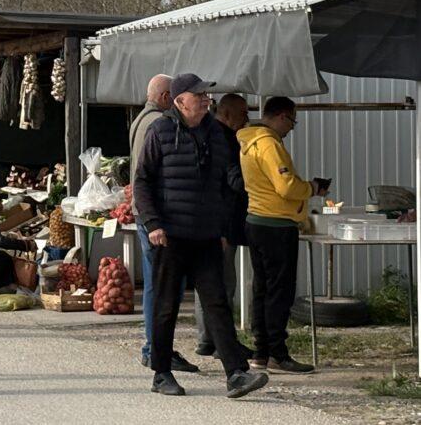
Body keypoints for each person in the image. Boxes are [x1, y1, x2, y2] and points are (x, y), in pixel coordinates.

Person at [133, 73, 267, 399]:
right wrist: (153, 225)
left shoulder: (219, 135)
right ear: (180, 101)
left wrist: (224, 229)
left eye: (207, 95)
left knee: (217, 303)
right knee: (167, 306)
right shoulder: (160, 131)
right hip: (170, 235)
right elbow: (142, 182)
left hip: (207, 235)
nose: (207, 100)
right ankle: (161, 373)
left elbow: (227, 186)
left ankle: (236, 374)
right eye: (200, 95)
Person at [239, 97, 327, 374]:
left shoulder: (248, 140)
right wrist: (312, 188)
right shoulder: (268, 144)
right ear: (280, 116)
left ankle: (261, 351)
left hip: (257, 221)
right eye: (291, 121)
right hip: (276, 225)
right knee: (279, 292)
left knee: (262, 289)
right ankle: (278, 352)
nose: (291, 128)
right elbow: (287, 187)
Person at [129, 75, 196, 372]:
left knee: (158, 283)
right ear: (169, 97)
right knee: (163, 285)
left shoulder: (139, 119)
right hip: (156, 216)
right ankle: (156, 349)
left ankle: (156, 347)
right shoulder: (157, 123)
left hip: (147, 213)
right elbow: (151, 174)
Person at [196, 94, 252, 358]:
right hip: (222, 222)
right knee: (224, 283)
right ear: (227, 114)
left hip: (205, 220)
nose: (246, 119)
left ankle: (207, 339)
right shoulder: (226, 140)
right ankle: (223, 343)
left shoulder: (202, 133)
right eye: (242, 114)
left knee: (207, 281)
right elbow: (232, 182)